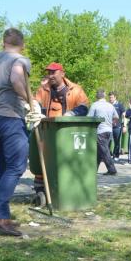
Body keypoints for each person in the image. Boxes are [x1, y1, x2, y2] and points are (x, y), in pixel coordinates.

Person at [0, 28, 41, 236]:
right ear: (22, 44)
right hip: (9, 118)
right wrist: (30, 101)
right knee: (16, 166)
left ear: (3, 43)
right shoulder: (20, 60)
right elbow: (17, 80)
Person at [33, 62, 89, 192]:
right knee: (42, 157)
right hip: (46, 130)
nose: (50, 75)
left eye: (53, 72)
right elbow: (36, 103)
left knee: (65, 160)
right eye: (49, 72)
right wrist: (34, 109)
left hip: (67, 131)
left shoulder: (76, 89)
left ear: (62, 73)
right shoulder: (43, 89)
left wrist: (71, 114)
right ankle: (41, 189)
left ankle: (67, 187)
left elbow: (84, 106)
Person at [88, 90, 119, 175]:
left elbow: (88, 118)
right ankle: (94, 169)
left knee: (104, 151)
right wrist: (112, 123)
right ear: (104, 96)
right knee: (99, 151)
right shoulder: (110, 105)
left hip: (100, 131)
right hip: (109, 130)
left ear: (97, 96)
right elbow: (116, 117)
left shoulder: (94, 105)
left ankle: (112, 170)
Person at [108, 92, 125, 161]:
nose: (110, 99)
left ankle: (116, 156)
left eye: (112, 97)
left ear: (115, 97)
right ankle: (108, 155)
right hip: (108, 126)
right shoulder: (108, 105)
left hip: (117, 126)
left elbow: (124, 115)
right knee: (108, 141)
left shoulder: (119, 105)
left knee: (116, 142)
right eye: (109, 97)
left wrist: (124, 125)